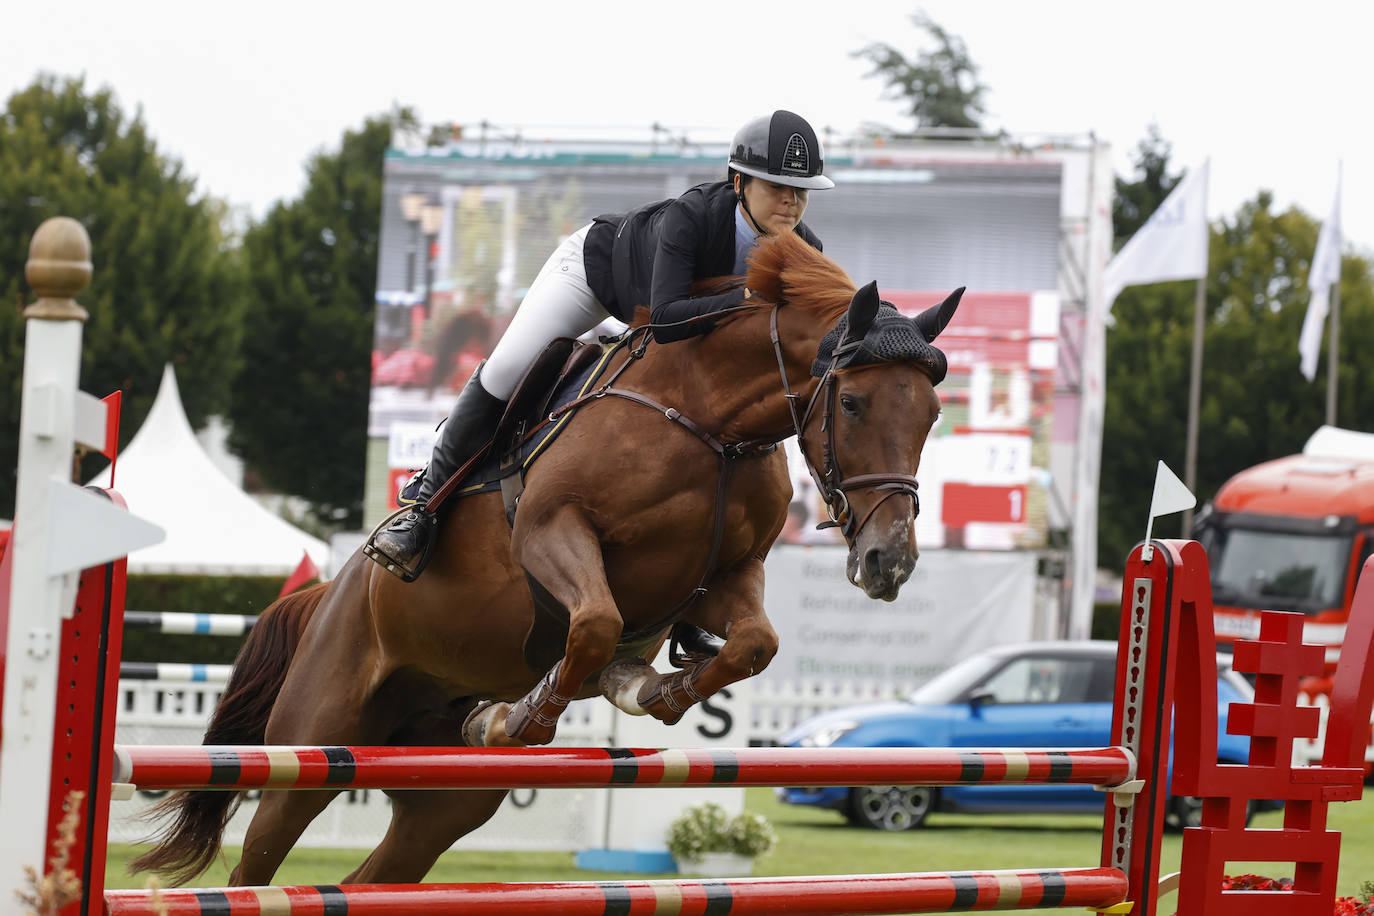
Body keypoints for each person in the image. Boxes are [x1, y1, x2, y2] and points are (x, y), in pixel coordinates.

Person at [367, 110, 835, 580]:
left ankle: (693, 595)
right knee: (509, 369)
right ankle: (423, 508)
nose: (791, 203)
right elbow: (667, 320)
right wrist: (748, 298)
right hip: (595, 276)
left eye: (801, 192)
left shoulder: (806, 251)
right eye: (778, 188)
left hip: (673, 320)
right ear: (738, 183)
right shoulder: (691, 217)